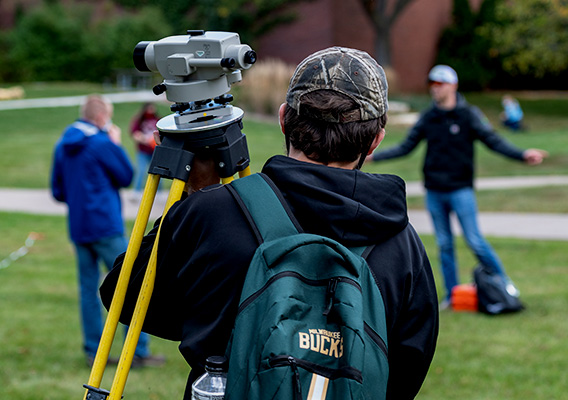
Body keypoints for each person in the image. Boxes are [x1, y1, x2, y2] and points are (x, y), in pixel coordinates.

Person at [100, 47, 439, 399]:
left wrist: (193, 196)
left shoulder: (213, 213)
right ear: (375, 140)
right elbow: (406, 369)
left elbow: (125, 298)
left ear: (283, 118)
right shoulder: (403, 246)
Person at [366, 65, 547, 307]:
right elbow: (406, 146)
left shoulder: (468, 114)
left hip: (461, 189)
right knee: (444, 245)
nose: (435, 89)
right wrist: (374, 156)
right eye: (432, 84)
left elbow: (493, 140)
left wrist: (522, 155)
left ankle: (504, 285)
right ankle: (452, 296)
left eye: (440, 84)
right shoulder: (429, 117)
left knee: (474, 240)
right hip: (435, 190)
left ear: (453, 85)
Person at [50, 94, 164, 368]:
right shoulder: (101, 143)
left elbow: (57, 191)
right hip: (105, 226)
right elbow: (126, 175)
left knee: (87, 289)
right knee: (132, 283)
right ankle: (137, 352)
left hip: (78, 226)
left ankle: (93, 351)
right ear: (102, 117)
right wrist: (114, 143)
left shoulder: (62, 144)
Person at [129, 102, 160, 197]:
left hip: (155, 151)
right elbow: (135, 134)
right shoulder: (139, 120)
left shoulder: (158, 119)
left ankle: (158, 192)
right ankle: (136, 192)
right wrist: (145, 139)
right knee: (141, 171)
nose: (151, 111)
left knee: (158, 172)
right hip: (143, 151)